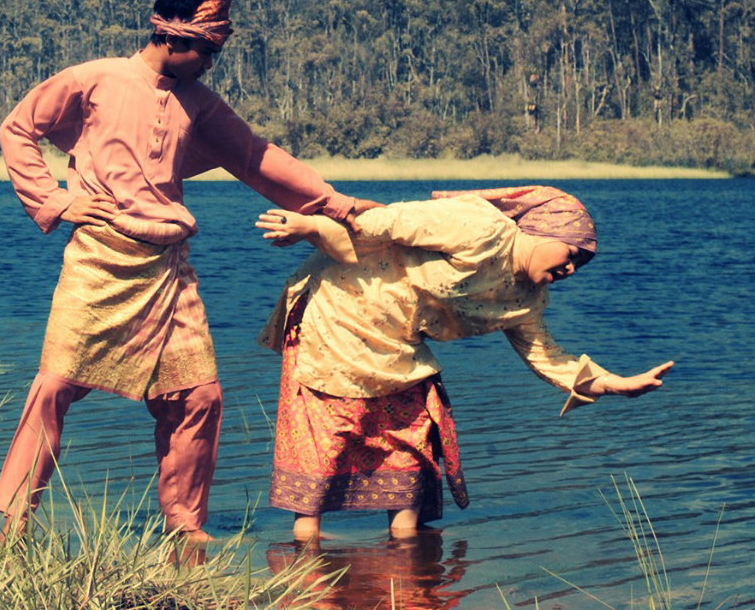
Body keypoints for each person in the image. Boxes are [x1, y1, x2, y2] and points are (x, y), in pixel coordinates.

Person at [0, 0, 371, 543]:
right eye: (207, 51)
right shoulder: (95, 79)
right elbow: (18, 128)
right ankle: (13, 524)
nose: (211, 63)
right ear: (171, 36)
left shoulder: (199, 104)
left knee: (199, 397)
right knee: (54, 388)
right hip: (98, 259)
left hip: (169, 269)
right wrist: (55, 200)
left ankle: (185, 526)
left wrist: (336, 204)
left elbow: (259, 159)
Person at [256, 186, 674, 539]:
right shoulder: (482, 228)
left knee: (412, 445)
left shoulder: (528, 298)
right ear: (541, 231)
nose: (568, 268)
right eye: (569, 254)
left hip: (397, 339)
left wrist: (613, 384)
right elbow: (386, 222)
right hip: (340, 306)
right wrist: (312, 227)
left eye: (578, 266)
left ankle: (407, 572)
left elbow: (549, 357)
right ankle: (305, 567)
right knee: (326, 442)